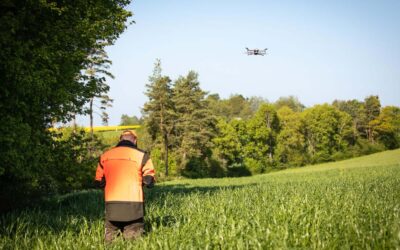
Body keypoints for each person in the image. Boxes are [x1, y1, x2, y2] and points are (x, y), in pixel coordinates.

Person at [95, 130, 155, 242]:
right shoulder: (142, 156)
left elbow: (98, 181)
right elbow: (149, 179)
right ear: (135, 140)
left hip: (112, 206)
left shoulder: (105, 156)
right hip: (133, 206)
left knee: (111, 241)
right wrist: (147, 181)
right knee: (133, 241)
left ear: (120, 140)